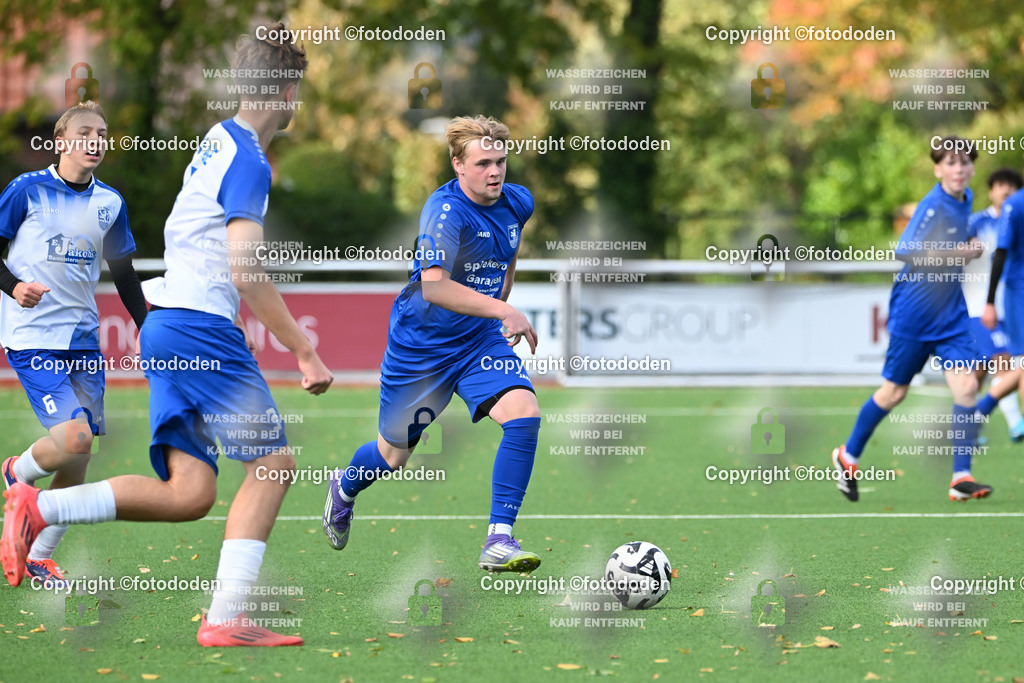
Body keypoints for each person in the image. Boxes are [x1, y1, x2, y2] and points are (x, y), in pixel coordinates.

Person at [1, 24, 333, 647]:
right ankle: (228, 617)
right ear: (285, 89)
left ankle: (38, 506)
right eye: (296, 89)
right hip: (201, 329)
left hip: (167, 325)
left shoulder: (215, 140)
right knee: (274, 464)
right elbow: (246, 268)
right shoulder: (250, 159)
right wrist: (303, 347)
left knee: (190, 493)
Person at [322, 115, 543, 573]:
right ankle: (344, 488)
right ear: (458, 164)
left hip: (477, 340)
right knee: (394, 455)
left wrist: (498, 302)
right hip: (421, 350)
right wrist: (505, 310)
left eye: (501, 161)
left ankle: (498, 539)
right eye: (483, 163)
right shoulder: (444, 213)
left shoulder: (517, 201)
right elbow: (435, 287)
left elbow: (510, 247)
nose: (495, 172)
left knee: (523, 414)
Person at [0, 101, 147, 587]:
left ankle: (40, 554)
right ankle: (17, 476)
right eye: (85, 133)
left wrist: (147, 326)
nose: (96, 141)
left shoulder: (111, 203)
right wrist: (14, 287)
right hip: (32, 336)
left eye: (103, 134)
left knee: (79, 455)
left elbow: (124, 272)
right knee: (75, 439)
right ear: (61, 141)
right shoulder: (27, 191)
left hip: (83, 337)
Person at [831, 137, 992, 502]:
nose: (959, 169)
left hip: (950, 316)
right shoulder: (933, 205)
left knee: (967, 388)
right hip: (915, 316)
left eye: (965, 162)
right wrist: (960, 251)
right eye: (951, 163)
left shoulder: (964, 200)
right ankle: (848, 454)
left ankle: (960, 477)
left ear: (972, 168)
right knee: (893, 393)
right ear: (937, 169)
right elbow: (905, 250)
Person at [964, 169, 1024, 440]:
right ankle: (1013, 423)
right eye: (1000, 185)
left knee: (983, 370)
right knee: (1004, 362)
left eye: (1010, 185)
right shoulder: (977, 222)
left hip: (1009, 306)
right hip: (981, 307)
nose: (1005, 190)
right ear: (991, 191)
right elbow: (950, 253)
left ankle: (971, 420)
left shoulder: (1017, 215)